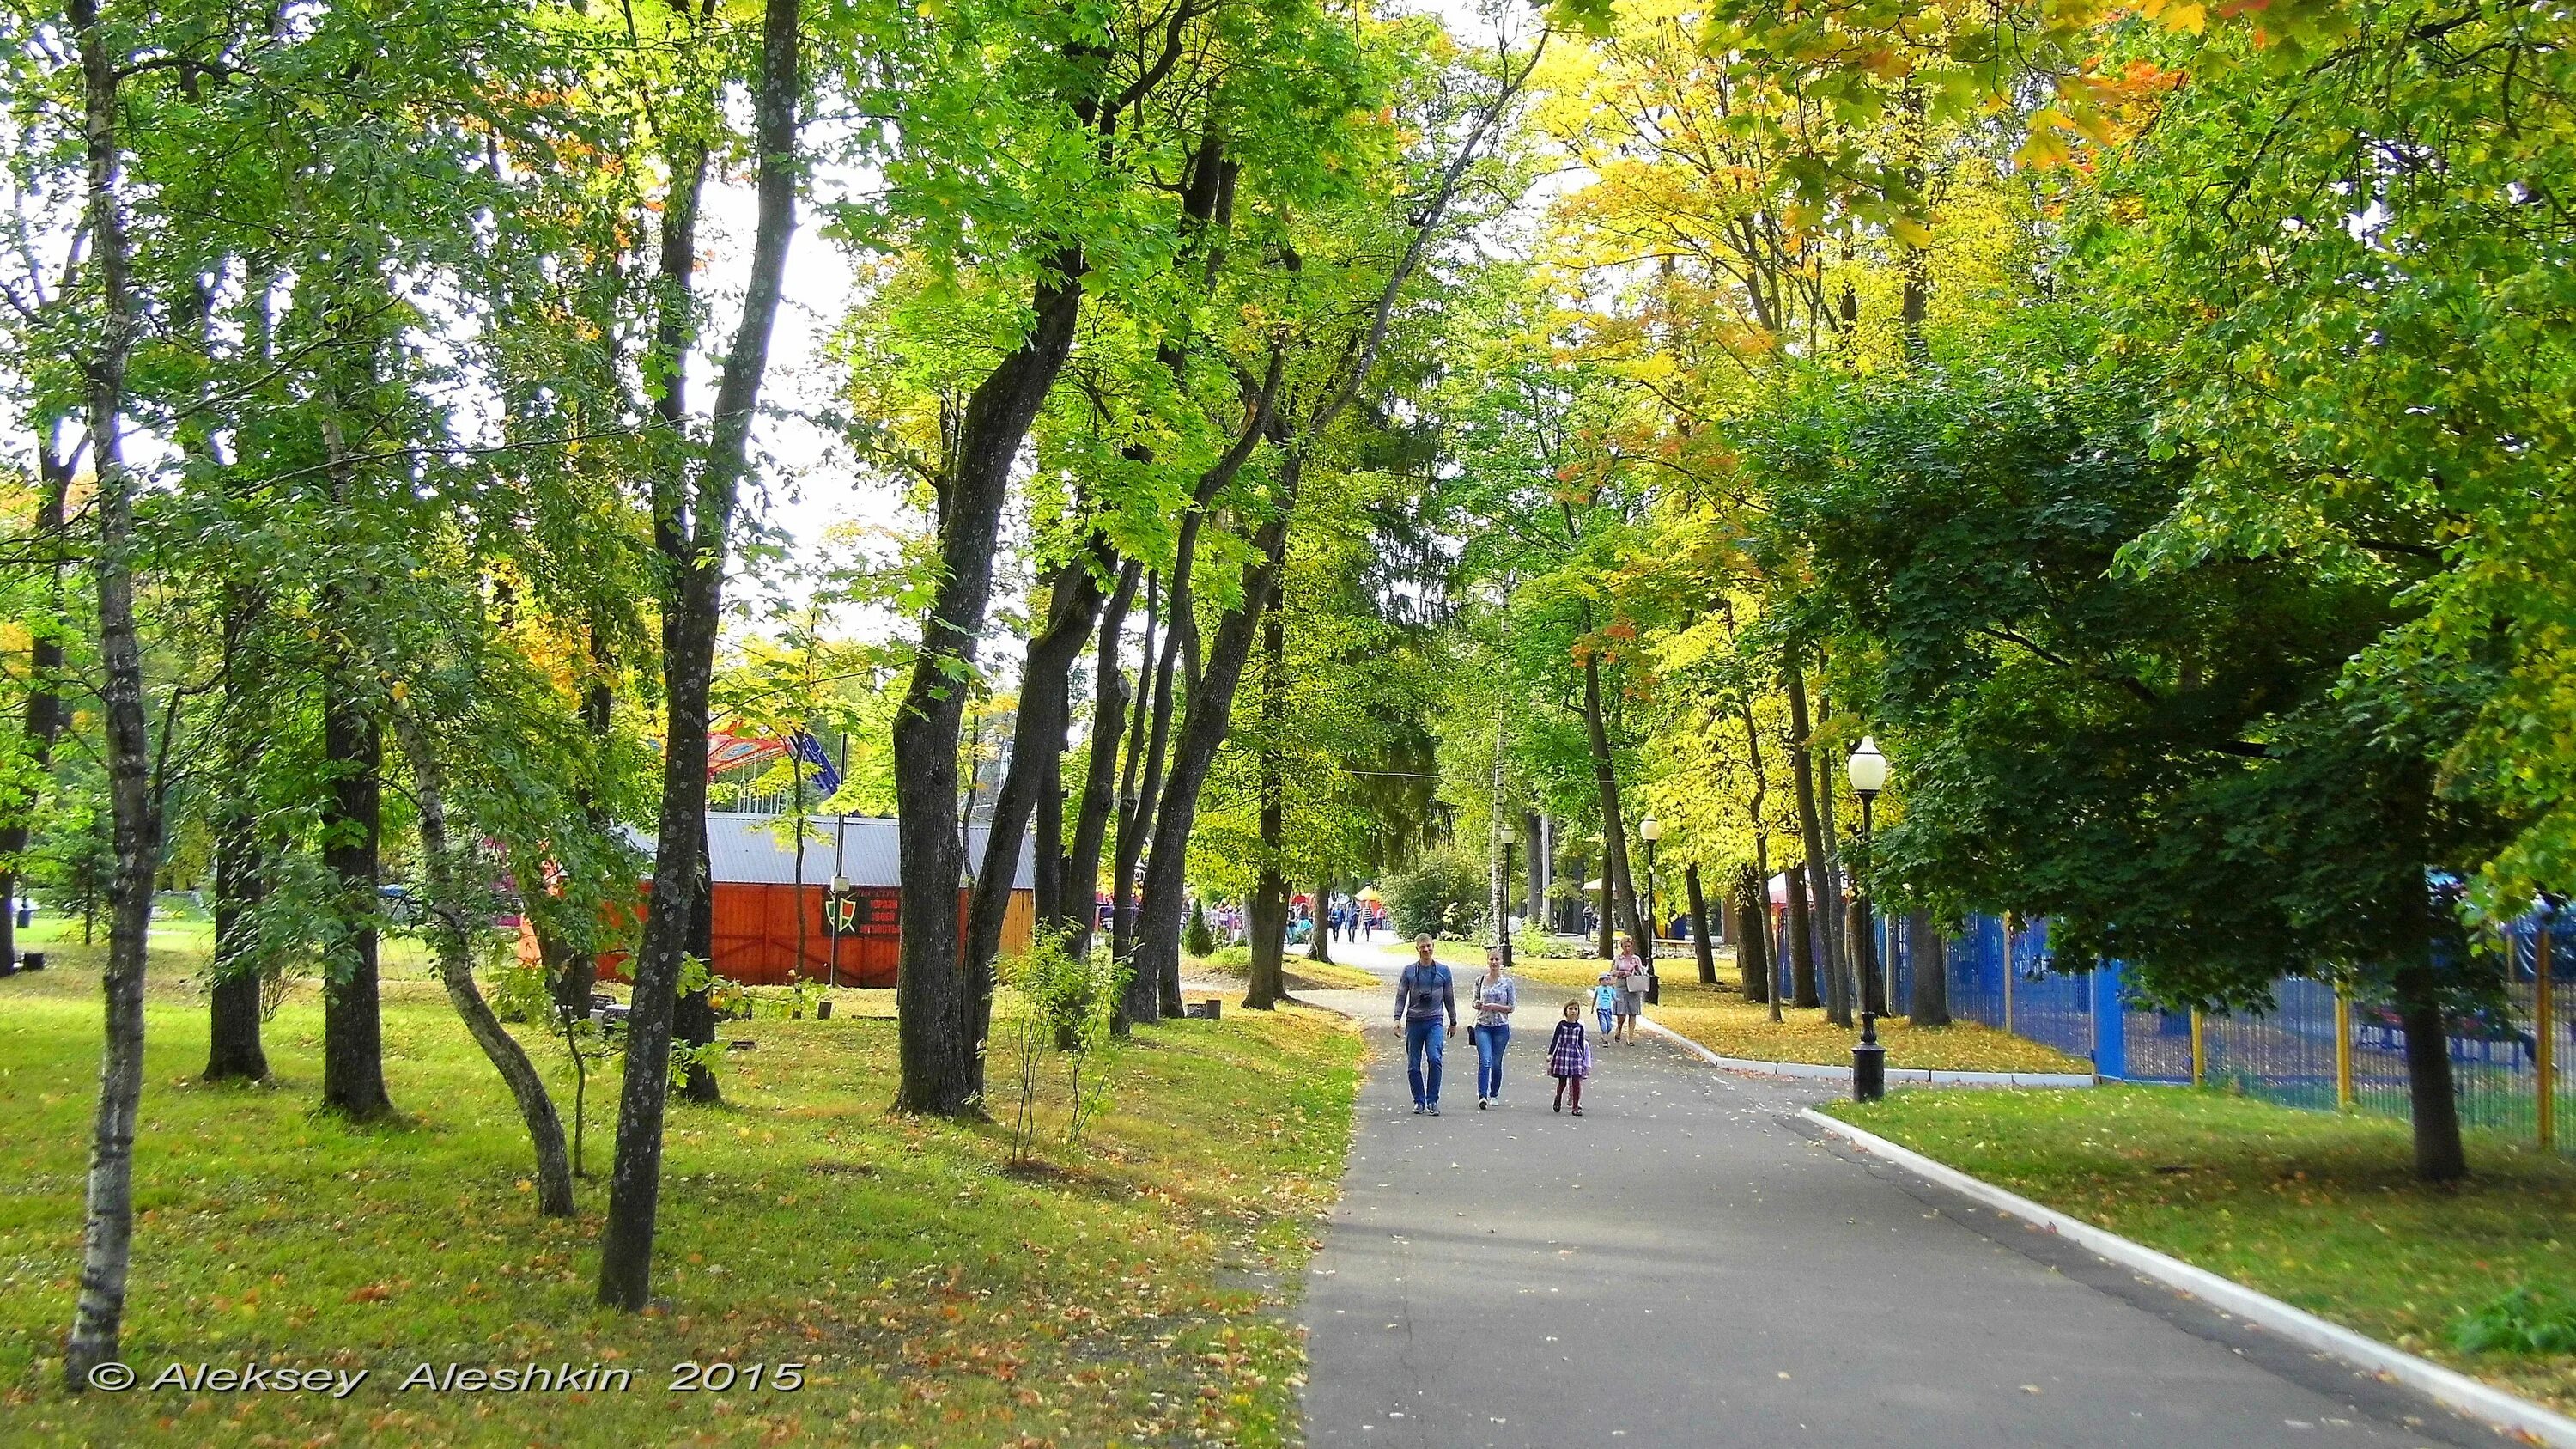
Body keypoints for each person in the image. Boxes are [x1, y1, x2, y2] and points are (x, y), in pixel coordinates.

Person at [1393, 935, 1456, 1114]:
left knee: (1435, 1059)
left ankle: (1432, 1100)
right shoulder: (1409, 971)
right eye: (1422, 947)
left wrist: (1453, 1021)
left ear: (1433, 947)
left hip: (1434, 1021)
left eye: (1428, 946)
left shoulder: (1444, 971)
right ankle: (1419, 1100)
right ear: (1417, 949)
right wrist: (1397, 1019)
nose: (1426, 950)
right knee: (1413, 1064)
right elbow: (1401, 995)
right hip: (1414, 1022)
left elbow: (1449, 997)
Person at [1469, 947, 1516, 1109]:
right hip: (1483, 1026)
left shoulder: (1508, 983)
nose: (1494, 962)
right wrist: (1478, 1004)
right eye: (1491, 959)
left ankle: (1494, 1093)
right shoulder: (1480, 980)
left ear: (1502, 962)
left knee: (1496, 1063)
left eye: (1497, 959)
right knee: (1485, 1061)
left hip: (1501, 1027)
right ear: (1487, 961)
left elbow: (1511, 1007)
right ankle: (1482, 1096)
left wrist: (1495, 1006)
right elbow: (1475, 1000)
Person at [1547, 999, 1592, 1115]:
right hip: (1563, 1054)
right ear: (1566, 1011)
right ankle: (1558, 1098)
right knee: (1562, 1081)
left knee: (1576, 1080)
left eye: (1575, 1009)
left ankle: (1575, 1107)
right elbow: (1555, 1040)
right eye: (1571, 1009)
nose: (1573, 1011)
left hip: (1575, 1055)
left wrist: (1583, 1059)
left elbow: (1581, 1043)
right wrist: (1551, 1054)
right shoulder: (1561, 1025)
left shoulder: (1579, 1027)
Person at [1611, 935, 1647, 1042]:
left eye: (1629, 946)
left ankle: (1630, 1038)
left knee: (1633, 1012)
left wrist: (1637, 970)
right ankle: (1619, 1028)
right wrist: (1622, 973)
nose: (1627, 949)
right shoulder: (1617, 958)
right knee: (1621, 1013)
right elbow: (1612, 972)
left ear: (1632, 946)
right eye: (1625, 946)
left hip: (1634, 986)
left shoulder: (1636, 959)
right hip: (1621, 985)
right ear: (1621, 946)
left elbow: (1642, 972)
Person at [1592, 972, 1618, 1038]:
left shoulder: (1611, 989)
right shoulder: (1598, 989)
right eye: (1606, 980)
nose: (1608, 981)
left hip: (1608, 1009)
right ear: (1601, 981)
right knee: (1604, 1025)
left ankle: (1604, 1035)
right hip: (1600, 1009)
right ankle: (1604, 1039)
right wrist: (1592, 1007)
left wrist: (1620, 1000)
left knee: (1609, 1026)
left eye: (1609, 980)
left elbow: (1615, 998)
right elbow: (1594, 998)